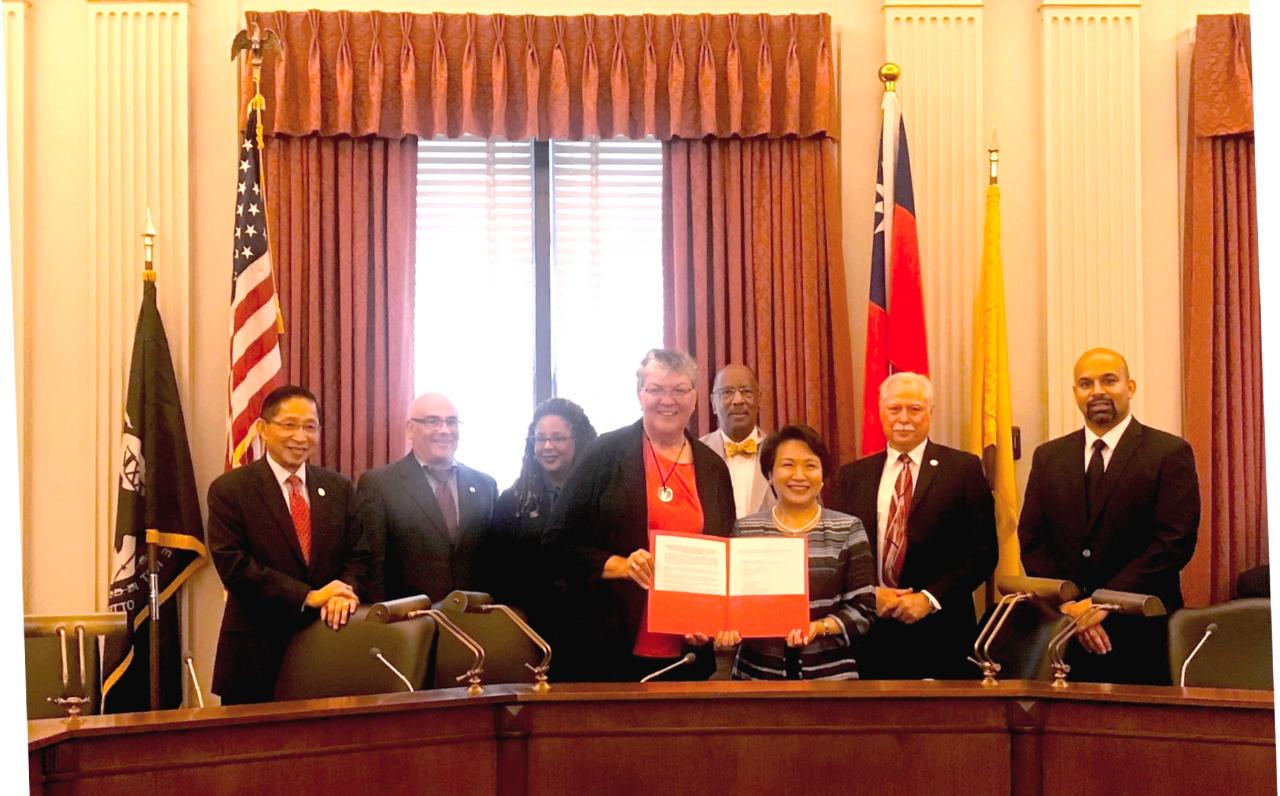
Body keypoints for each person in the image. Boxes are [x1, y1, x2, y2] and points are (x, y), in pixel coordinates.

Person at [542, 349, 736, 682]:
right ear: (639, 394)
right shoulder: (604, 454)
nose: (667, 400)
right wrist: (621, 565)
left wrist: (708, 617)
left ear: (695, 398)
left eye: (679, 389)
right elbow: (554, 545)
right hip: (607, 650)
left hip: (687, 655)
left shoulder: (713, 467)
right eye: (656, 389)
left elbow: (724, 556)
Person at [1019, 348, 1199, 685]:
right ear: (1075, 394)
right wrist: (1074, 606)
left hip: (1141, 630)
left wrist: (1103, 603)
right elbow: (1033, 540)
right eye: (1086, 383)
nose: (1097, 391)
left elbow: (1174, 542)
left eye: (1109, 380)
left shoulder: (1169, 453)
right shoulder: (1048, 457)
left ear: (1130, 387)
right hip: (1066, 631)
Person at [207, 385, 371, 705]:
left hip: (329, 649)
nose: (301, 436)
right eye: (289, 424)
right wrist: (308, 596)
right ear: (263, 429)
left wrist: (343, 591)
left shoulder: (338, 488)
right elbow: (234, 566)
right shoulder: (231, 490)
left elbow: (359, 555)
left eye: (310, 426)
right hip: (255, 657)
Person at [830, 372, 996, 680]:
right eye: (894, 409)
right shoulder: (852, 476)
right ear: (881, 413)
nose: (904, 418)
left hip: (939, 632)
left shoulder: (962, 469)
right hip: (868, 630)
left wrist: (929, 599)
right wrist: (870, 594)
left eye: (915, 409)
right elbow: (837, 554)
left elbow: (983, 552)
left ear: (930, 413)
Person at [714, 425, 877, 680]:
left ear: (823, 474)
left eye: (810, 466)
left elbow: (864, 609)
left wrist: (819, 627)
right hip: (756, 677)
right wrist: (727, 627)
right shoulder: (746, 530)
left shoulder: (848, 528)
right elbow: (729, 604)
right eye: (787, 465)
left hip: (831, 679)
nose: (799, 475)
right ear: (769, 474)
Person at [354, 392, 499, 603]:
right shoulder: (379, 484)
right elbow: (372, 566)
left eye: (451, 422)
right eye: (433, 421)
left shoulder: (485, 485)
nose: (445, 430)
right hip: (409, 623)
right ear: (410, 429)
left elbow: (494, 562)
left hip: (473, 622)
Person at [489, 397, 598, 631]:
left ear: (579, 441)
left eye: (558, 438)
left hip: (593, 628)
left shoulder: (601, 497)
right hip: (529, 629)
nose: (548, 446)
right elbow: (495, 569)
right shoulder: (512, 501)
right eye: (541, 439)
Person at [699, 364, 776, 518]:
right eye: (727, 392)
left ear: (759, 399)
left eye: (746, 391)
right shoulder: (696, 453)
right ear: (713, 403)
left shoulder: (780, 452)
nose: (738, 400)